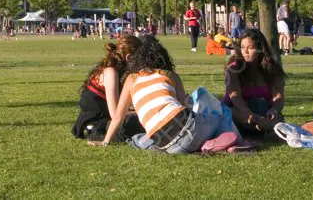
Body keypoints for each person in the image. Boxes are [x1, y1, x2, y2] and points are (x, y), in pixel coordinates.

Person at [89, 36, 223, 153]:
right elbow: (185, 105)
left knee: (138, 139)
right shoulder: (170, 75)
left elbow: (118, 116)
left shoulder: (131, 79)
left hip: (168, 146)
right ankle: (210, 140)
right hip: (189, 128)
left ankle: (199, 143)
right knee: (216, 118)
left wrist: (105, 142)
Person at [73, 36, 144, 141]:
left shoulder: (118, 72)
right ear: (129, 57)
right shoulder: (110, 73)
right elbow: (115, 114)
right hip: (96, 128)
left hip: (104, 122)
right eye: (139, 59)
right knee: (138, 123)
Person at [224, 29, 286, 137]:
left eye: (250, 48)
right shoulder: (234, 69)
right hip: (238, 111)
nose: (245, 52)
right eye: (242, 47)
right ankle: (267, 129)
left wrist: (274, 110)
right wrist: (248, 114)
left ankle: (266, 128)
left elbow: (279, 97)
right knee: (232, 112)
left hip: (264, 111)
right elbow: (235, 96)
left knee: (275, 116)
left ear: (260, 49)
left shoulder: (272, 69)